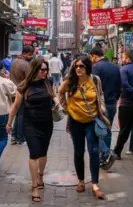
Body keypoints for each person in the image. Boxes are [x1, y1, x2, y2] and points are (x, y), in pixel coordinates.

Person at [58, 56, 110, 200]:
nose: (78, 69)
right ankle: (81, 181)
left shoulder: (95, 80)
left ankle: (94, 184)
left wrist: (102, 108)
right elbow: (60, 92)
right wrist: (66, 107)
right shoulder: (70, 81)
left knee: (93, 151)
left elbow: (100, 95)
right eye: (76, 66)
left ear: (87, 67)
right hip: (75, 122)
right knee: (79, 152)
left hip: (91, 121)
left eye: (81, 66)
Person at [7, 58, 58, 203]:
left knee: (43, 153)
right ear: (35, 69)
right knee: (34, 153)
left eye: (46, 70)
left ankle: (41, 175)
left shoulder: (48, 82)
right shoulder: (24, 86)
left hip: (47, 123)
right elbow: (15, 107)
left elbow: (53, 96)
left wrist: (57, 105)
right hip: (30, 124)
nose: (45, 72)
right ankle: (34, 185)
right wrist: (9, 124)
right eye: (42, 70)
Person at [89, 47, 121, 168]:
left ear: (94, 56)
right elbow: (119, 85)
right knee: (107, 129)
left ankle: (106, 153)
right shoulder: (115, 67)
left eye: (91, 57)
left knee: (96, 131)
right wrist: (116, 98)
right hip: (112, 102)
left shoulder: (96, 67)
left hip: (100, 104)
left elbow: (93, 87)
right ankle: (104, 158)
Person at [10, 45, 34, 145]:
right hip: (22, 92)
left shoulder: (14, 62)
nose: (31, 56)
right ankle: (20, 138)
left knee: (18, 114)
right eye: (29, 54)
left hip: (14, 91)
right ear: (24, 53)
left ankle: (14, 136)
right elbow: (29, 80)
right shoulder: (26, 65)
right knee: (21, 116)